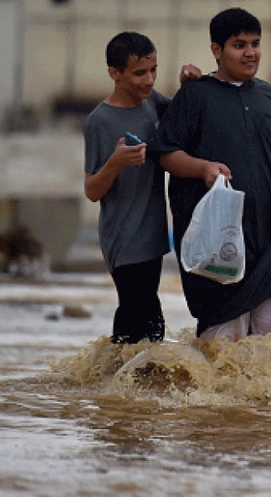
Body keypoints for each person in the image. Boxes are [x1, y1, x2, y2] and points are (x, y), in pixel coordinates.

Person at [155, 7, 271, 341]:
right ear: (216, 50)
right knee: (221, 350)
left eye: (255, 43)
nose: (250, 53)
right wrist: (203, 168)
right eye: (239, 44)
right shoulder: (195, 95)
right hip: (217, 242)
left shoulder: (270, 97)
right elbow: (166, 154)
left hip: (270, 239)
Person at [83, 31, 201, 344]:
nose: (149, 80)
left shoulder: (152, 103)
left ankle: (115, 383)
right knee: (143, 315)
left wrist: (187, 85)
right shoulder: (100, 121)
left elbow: (182, 116)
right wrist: (116, 162)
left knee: (146, 319)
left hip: (152, 234)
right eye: (139, 73)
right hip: (122, 236)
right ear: (114, 74)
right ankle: (117, 381)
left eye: (153, 71)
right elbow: (92, 191)